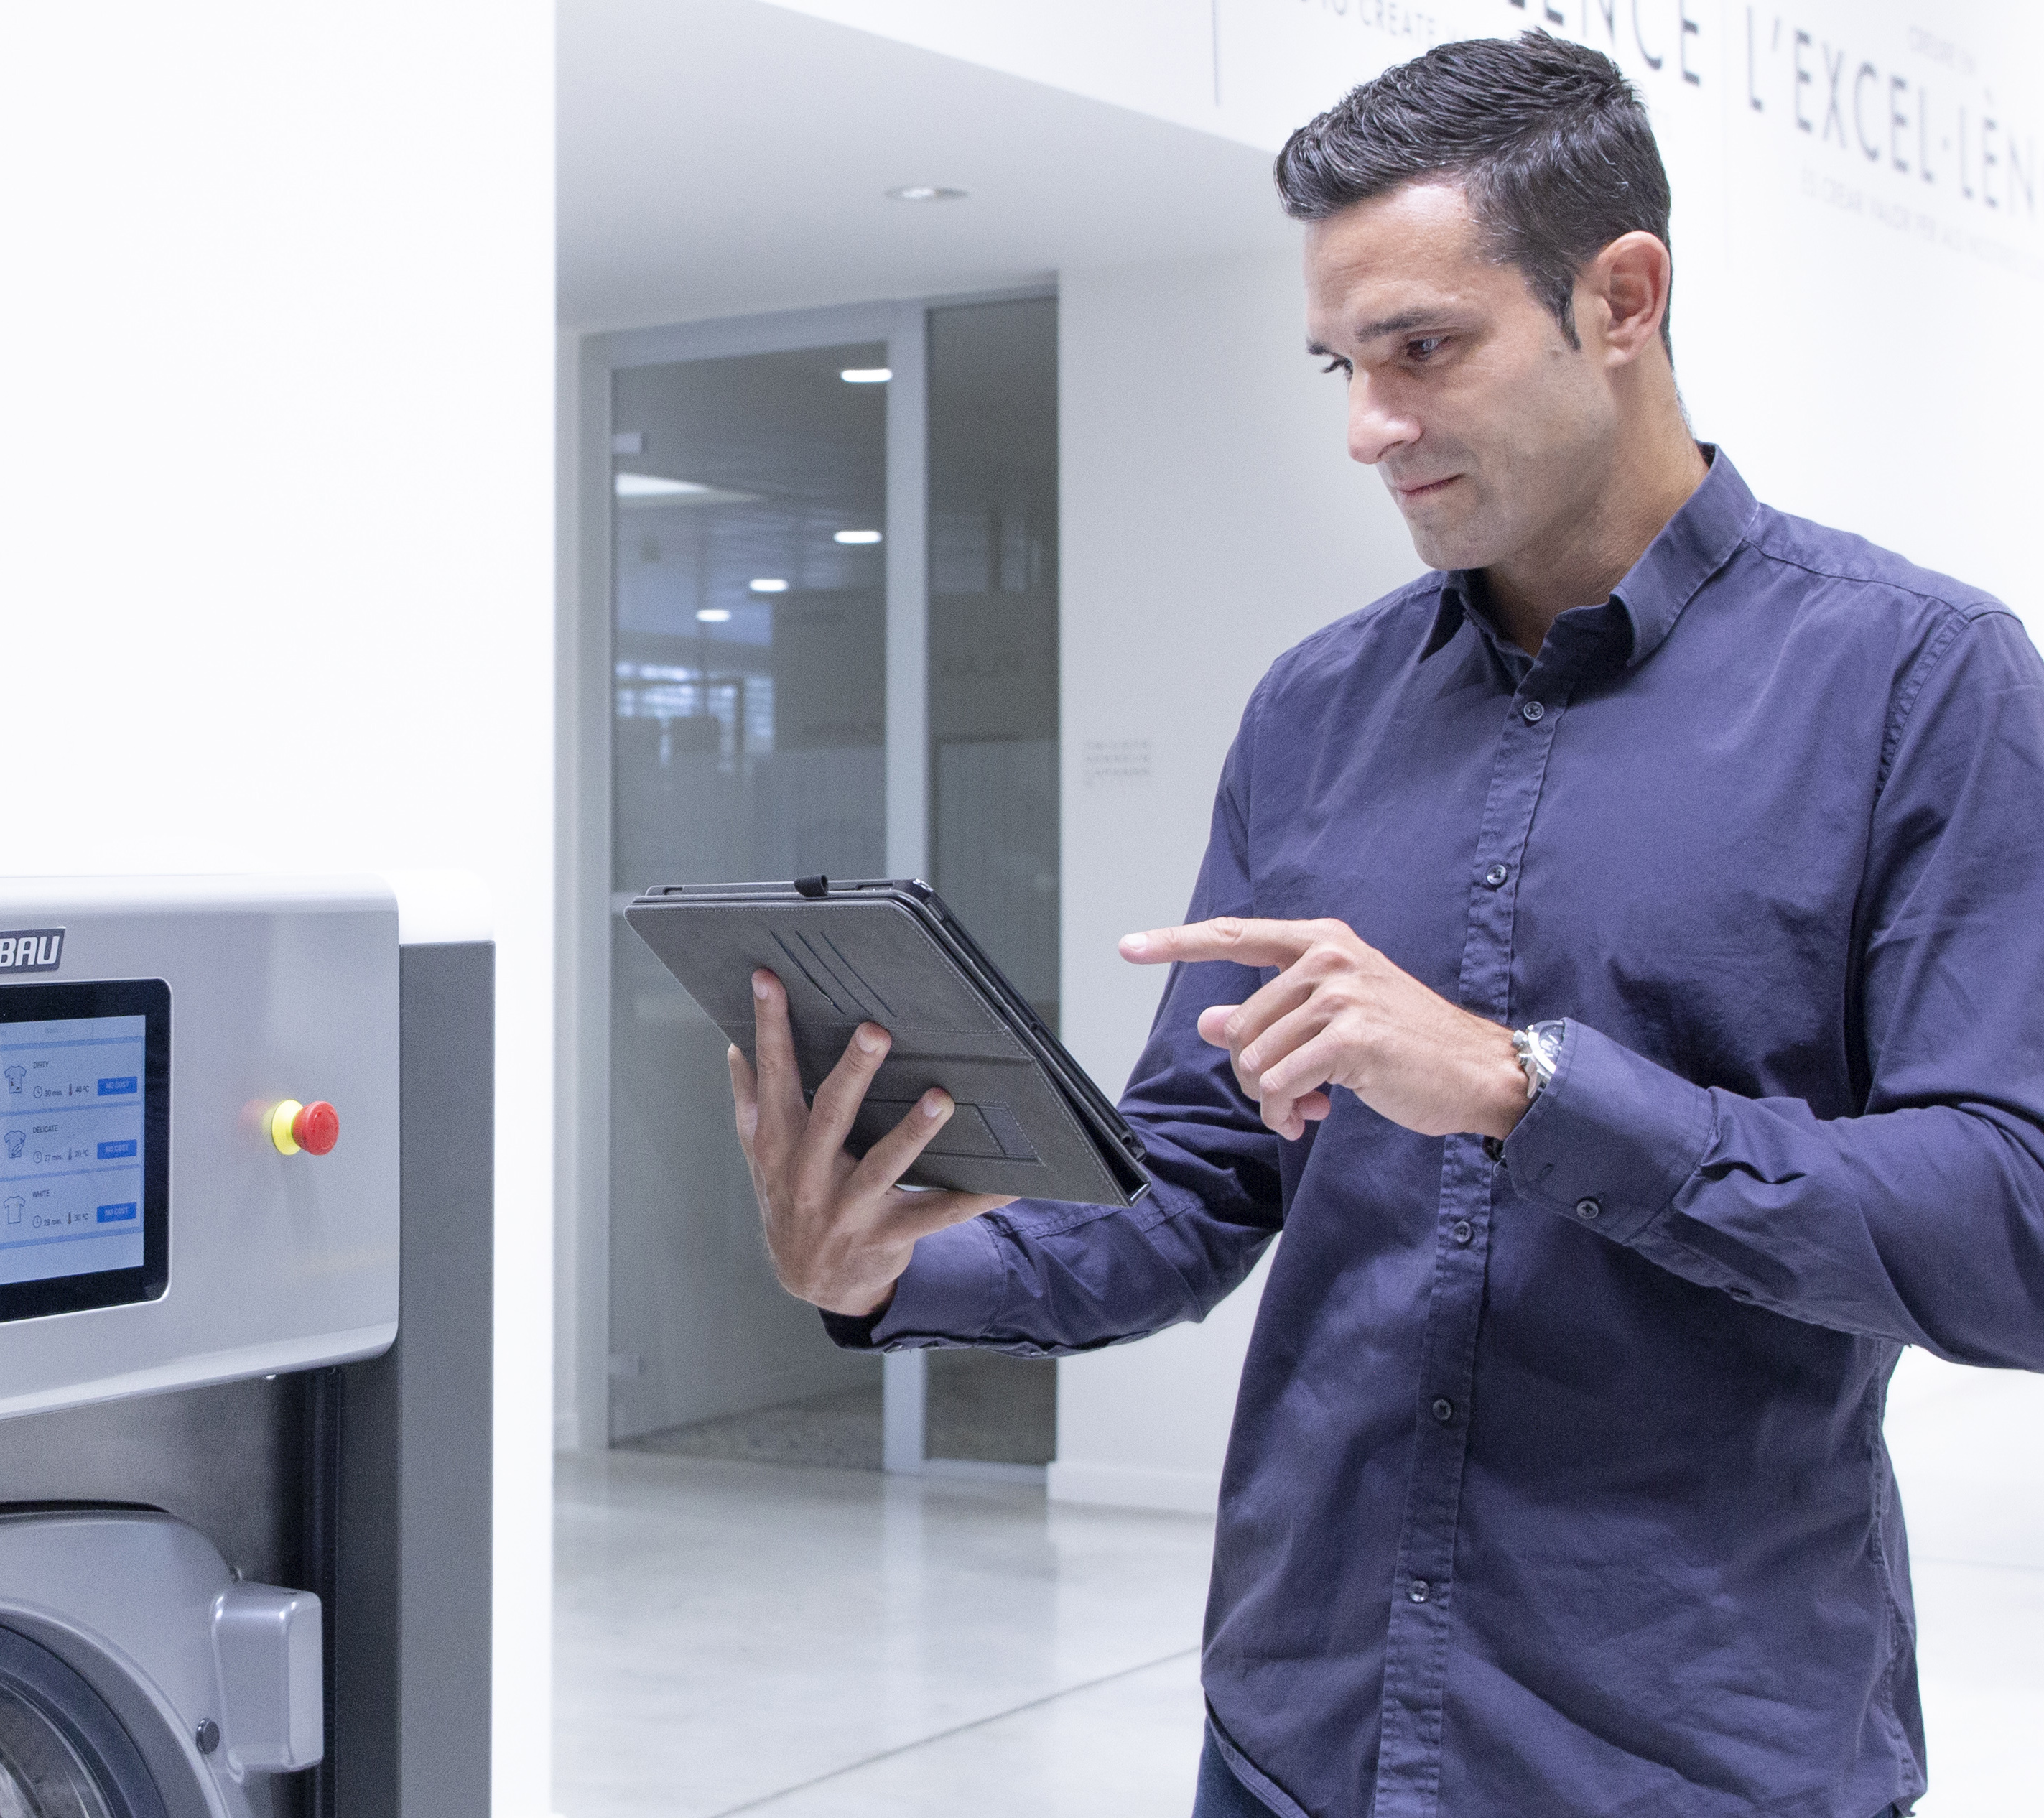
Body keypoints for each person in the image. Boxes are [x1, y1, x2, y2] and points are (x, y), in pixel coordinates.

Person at [723, 30, 2044, 1818]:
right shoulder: (1315, 710)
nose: (1368, 427)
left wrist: (1525, 1086)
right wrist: (892, 1269)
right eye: (1343, 362)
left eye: (1425, 349)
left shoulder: (1919, 682)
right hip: (1298, 1730)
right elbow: (1195, 1183)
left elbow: (2008, 1229)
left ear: (1624, 296)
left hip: (1692, 1752)